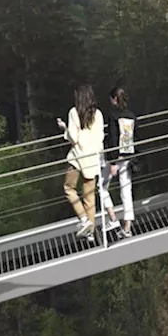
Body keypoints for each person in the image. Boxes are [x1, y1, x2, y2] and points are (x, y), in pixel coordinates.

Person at [59, 84, 107, 241]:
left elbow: (73, 136)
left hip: (78, 157)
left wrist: (64, 128)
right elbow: (100, 137)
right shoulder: (98, 114)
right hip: (93, 158)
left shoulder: (74, 112)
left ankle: (84, 219)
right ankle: (91, 233)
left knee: (68, 188)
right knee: (90, 196)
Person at [106, 85, 137, 237]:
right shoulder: (131, 115)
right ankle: (127, 226)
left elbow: (112, 138)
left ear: (115, 99)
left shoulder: (112, 116)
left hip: (116, 157)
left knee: (102, 186)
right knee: (126, 191)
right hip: (128, 156)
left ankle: (112, 218)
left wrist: (112, 162)